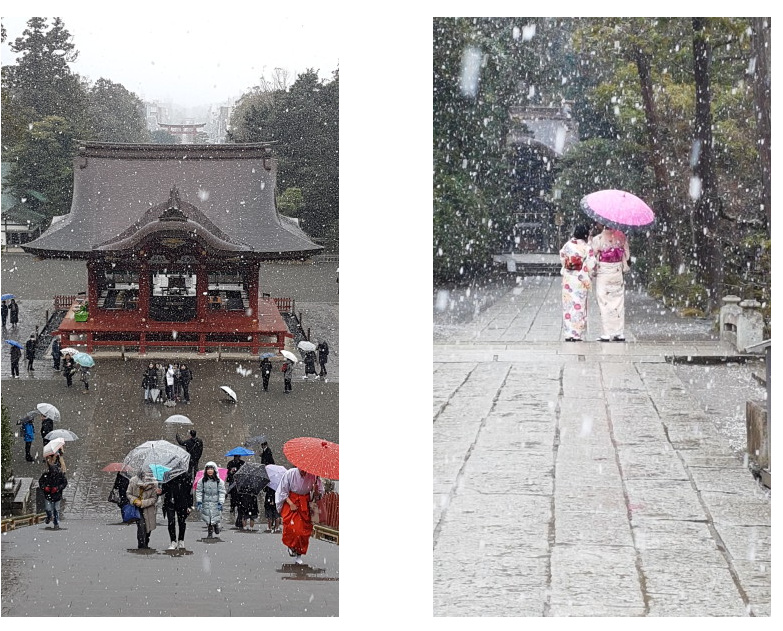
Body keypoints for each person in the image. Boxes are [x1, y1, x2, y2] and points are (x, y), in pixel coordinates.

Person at [590, 223, 631, 342]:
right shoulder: (621, 236)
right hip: (617, 271)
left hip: (604, 272)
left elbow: (592, 255)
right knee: (618, 301)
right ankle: (619, 332)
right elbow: (627, 255)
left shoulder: (598, 238)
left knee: (604, 302)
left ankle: (606, 333)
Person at [275, 467, 324, 564]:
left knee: (303, 532)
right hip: (291, 501)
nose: (303, 471)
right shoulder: (290, 474)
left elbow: (319, 495)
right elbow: (283, 491)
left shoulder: (314, 476)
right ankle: (291, 545)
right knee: (292, 528)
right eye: (301, 469)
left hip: (305, 504)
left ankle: (299, 554)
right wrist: (291, 504)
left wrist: (316, 491)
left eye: (305, 470)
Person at [559, 224, 597, 342]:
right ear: (585, 234)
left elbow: (563, 259)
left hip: (568, 279)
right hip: (580, 279)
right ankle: (576, 334)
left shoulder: (567, 245)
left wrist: (569, 265)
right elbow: (591, 263)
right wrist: (589, 271)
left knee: (568, 306)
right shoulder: (587, 248)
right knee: (579, 306)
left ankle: (568, 333)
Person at [127, 467, 160, 549]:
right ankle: (141, 545)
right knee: (141, 526)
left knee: (148, 528)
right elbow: (129, 494)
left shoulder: (154, 484)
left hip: (149, 509)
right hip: (137, 508)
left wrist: (142, 503)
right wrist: (135, 500)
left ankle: (146, 542)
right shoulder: (133, 481)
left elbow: (154, 499)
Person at [160, 473, 192, 550]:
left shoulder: (186, 476)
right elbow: (164, 489)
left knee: (181, 522)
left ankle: (181, 540)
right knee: (171, 522)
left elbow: (189, 493)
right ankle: (173, 541)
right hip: (170, 502)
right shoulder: (167, 476)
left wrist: (190, 506)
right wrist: (160, 491)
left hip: (182, 503)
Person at [195, 461, 226, 538]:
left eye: (211, 469)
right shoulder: (202, 481)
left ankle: (216, 525)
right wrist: (199, 501)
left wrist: (220, 502)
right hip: (206, 501)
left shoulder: (219, 481)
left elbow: (222, 492)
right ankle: (210, 532)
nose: (209, 471)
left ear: (214, 470)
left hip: (215, 502)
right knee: (208, 518)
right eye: (208, 469)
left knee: (215, 517)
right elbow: (199, 491)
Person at [39, 460, 68, 529]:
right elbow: (41, 482)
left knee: (56, 509)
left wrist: (57, 488)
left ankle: (56, 523)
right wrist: (44, 488)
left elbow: (64, 483)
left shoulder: (60, 475)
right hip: (48, 495)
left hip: (57, 495)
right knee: (47, 509)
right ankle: (49, 517)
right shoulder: (45, 475)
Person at [226, 454, 245, 523]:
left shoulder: (243, 463)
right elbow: (228, 475)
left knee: (240, 502)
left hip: (240, 486)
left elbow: (244, 473)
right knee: (232, 501)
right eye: (235, 457)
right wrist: (230, 472)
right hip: (233, 486)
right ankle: (232, 514)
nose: (237, 458)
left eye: (238, 457)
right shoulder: (230, 463)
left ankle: (239, 517)